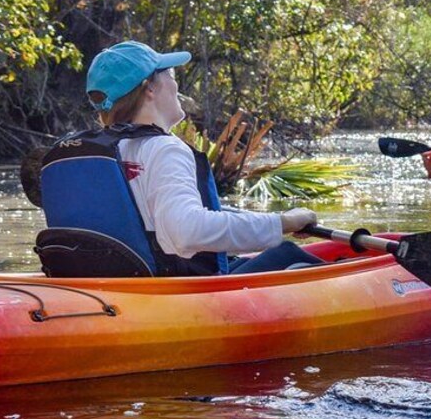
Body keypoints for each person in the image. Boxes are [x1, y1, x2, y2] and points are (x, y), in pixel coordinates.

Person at [39, 40, 321, 277]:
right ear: (150, 88)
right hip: (171, 294)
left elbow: (156, 225)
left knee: (244, 260)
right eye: (170, 75)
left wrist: (274, 220)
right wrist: (283, 224)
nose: (176, 85)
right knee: (287, 254)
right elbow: (186, 232)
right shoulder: (164, 149)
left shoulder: (104, 152)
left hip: (110, 288)